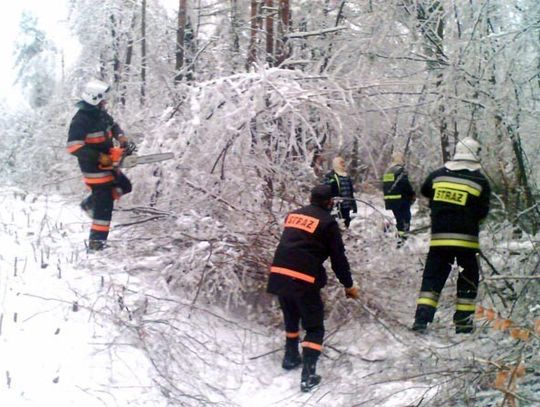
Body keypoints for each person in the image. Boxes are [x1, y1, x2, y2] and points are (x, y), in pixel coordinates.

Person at [267, 184, 359, 392]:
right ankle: (308, 376)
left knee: (291, 317)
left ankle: (290, 357)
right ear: (330, 202)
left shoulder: (293, 215)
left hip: (279, 273)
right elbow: (338, 259)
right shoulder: (328, 223)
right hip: (304, 278)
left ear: (311, 198)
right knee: (314, 327)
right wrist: (349, 285)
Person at [412, 138, 491, 334]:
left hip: (440, 239)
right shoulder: (480, 181)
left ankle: (421, 320)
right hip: (467, 241)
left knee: (432, 277)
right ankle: (464, 324)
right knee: (468, 279)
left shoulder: (438, 175)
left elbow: (424, 190)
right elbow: (482, 212)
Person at [66, 79, 136, 251]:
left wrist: (121, 138)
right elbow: (73, 146)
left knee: (125, 185)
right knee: (104, 209)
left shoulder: (101, 114)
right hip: (94, 169)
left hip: (109, 166)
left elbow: (114, 126)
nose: (105, 102)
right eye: (102, 99)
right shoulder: (81, 119)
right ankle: (96, 244)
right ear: (94, 98)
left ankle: (90, 204)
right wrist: (100, 157)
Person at [382, 152, 416, 246]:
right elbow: (405, 185)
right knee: (405, 220)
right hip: (402, 201)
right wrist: (412, 195)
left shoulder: (388, 171)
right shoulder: (401, 171)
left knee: (399, 220)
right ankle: (402, 241)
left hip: (391, 201)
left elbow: (385, 186)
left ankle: (400, 239)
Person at [324, 156, 357, 228]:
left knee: (346, 223)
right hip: (336, 207)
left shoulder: (346, 176)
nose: (343, 165)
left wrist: (354, 205)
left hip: (346, 206)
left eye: (344, 163)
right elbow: (326, 190)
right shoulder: (330, 176)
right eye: (341, 163)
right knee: (336, 225)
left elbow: (350, 192)